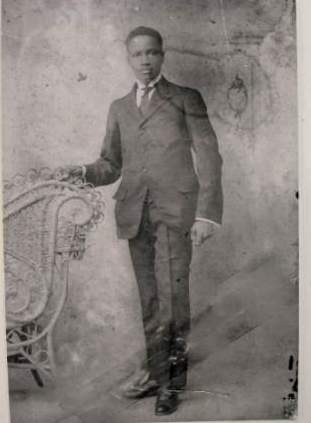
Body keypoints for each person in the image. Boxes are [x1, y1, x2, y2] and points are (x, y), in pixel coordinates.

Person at [57, 26, 223, 416]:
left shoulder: (185, 98)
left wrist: (206, 215)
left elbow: (210, 158)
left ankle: (171, 385)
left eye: (152, 53)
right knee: (150, 303)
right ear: (128, 58)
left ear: (162, 55)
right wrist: (80, 170)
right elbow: (111, 165)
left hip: (177, 215)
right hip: (136, 216)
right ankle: (154, 374)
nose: (145, 61)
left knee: (172, 303)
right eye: (138, 55)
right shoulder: (119, 107)